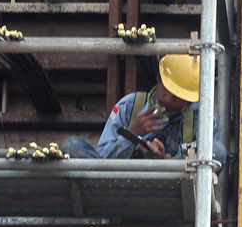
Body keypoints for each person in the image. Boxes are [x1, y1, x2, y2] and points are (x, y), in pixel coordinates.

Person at [61, 54, 227, 164]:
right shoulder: (130, 105)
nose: (168, 99)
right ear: (158, 79)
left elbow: (201, 170)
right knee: (72, 146)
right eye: (167, 90)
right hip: (121, 182)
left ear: (189, 99)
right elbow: (101, 161)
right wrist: (131, 134)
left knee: (216, 151)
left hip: (169, 186)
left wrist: (163, 161)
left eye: (177, 97)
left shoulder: (202, 117)